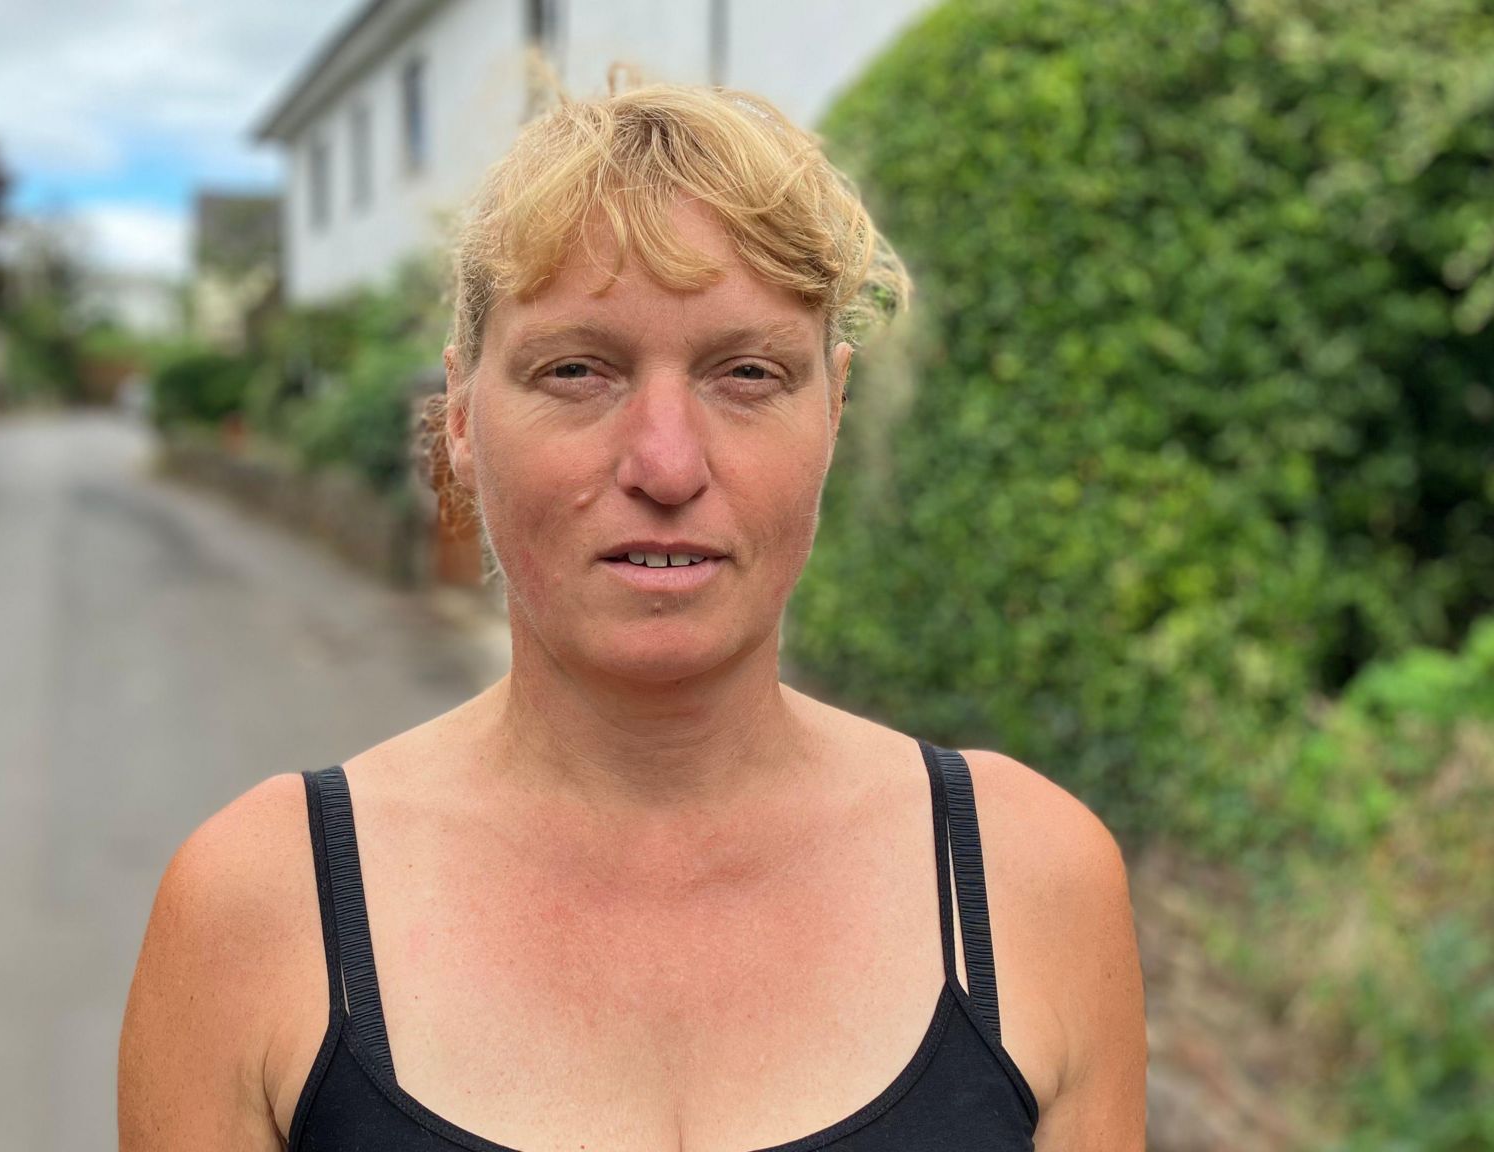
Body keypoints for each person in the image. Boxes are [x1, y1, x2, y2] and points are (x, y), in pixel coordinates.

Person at [118, 82, 1145, 1151]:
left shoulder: (1032, 883)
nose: (665, 463)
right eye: (577, 370)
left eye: (746, 373)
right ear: (462, 417)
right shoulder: (253, 911)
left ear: (831, 409)